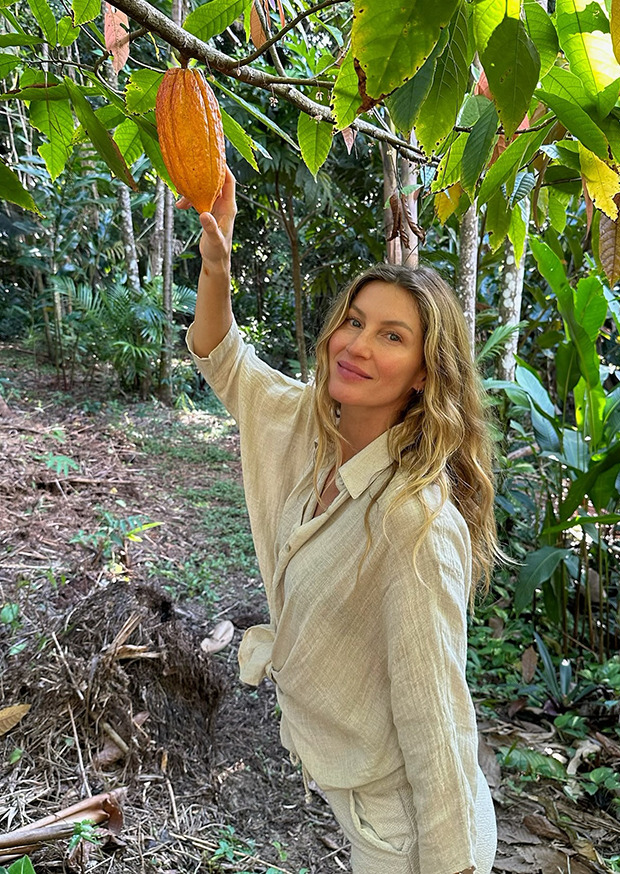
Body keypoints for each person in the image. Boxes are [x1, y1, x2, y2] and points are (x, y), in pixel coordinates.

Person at [179, 168, 499, 874]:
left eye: (391, 335)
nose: (355, 345)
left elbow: (437, 721)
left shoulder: (413, 522)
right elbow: (223, 360)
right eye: (353, 321)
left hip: (406, 832)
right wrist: (215, 259)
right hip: (357, 798)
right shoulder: (310, 425)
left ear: (423, 372)